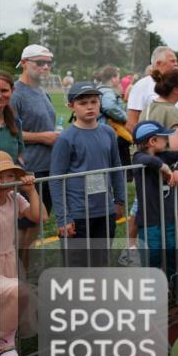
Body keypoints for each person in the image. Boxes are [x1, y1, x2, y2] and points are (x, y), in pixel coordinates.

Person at [49, 82, 126, 267]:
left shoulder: (108, 132)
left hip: (104, 212)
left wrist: (120, 200)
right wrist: (63, 217)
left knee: (101, 263)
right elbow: (56, 179)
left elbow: (116, 167)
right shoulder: (66, 139)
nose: (90, 106)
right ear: (71, 106)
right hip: (78, 215)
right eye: (83, 103)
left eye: (94, 101)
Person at [138, 69, 178, 251]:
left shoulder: (149, 107)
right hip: (170, 174)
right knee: (177, 220)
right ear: (177, 89)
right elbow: (177, 147)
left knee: (153, 222)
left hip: (148, 174)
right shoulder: (172, 111)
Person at [131, 121, 178, 297]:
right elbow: (147, 160)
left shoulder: (164, 154)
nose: (167, 141)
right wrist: (163, 167)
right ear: (152, 141)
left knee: (174, 254)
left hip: (168, 218)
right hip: (150, 222)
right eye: (164, 138)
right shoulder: (138, 158)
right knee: (152, 258)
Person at [11, 44, 58, 268]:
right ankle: (16, 275)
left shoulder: (41, 91)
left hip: (47, 168)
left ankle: (24, 272)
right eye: (40, 62)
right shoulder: (15, 94)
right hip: (27, 170)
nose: (45, 67)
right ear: (25, 62)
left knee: (36, 224)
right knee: (24, 225)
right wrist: (43, 137)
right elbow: (10, 132)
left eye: (49, 63)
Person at [0, 151, 44, 356]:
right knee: (19, 293)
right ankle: (4, 343)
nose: (5, 182)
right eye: (0, 177)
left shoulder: (13, 198)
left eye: (9, 176)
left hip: (8, 261)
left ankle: (6, 345)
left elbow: (40, 217)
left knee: (15, 300)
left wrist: (31, 190)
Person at [126, 47, 178, 132]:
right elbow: (132, 123)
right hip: (152, 143)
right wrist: (146, 143)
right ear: (158, 63)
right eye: (172, 61)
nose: (176, 64)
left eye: (176, 61)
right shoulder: (142, 86)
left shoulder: (176, 86)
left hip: (177, 141)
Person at [94, 65, 133, 177]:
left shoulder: (99, 89)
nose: (119, 79)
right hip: (111, 130)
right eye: (118, 77)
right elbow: (109, 107)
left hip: (102, 129)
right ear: (113, 78)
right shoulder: (108, 92)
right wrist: (125, 117)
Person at [0, 72, 25, 164]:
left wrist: (24, 174)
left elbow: (20, 157)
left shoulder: (16, 122)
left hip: (10, 179)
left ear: (12, 90)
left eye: (4, 91)